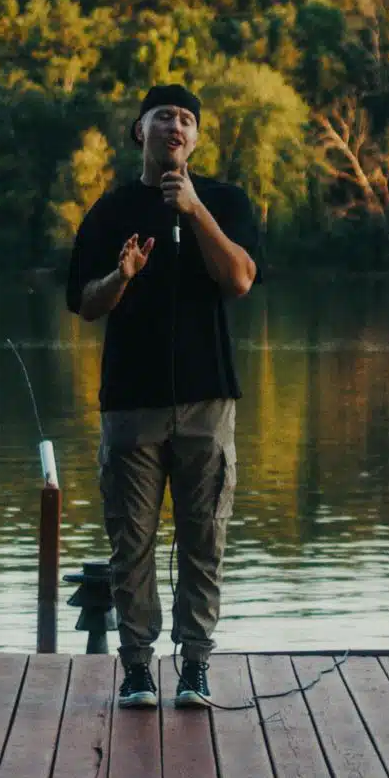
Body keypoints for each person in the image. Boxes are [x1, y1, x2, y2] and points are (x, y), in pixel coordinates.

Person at [66, 83, 261, 708]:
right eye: (162, 117)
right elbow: (85, 303)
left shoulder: (224, 201)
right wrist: (120, 276)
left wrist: (195, 210)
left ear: (195, 138)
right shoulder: (112, 210)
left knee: (205, 539)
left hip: (208, 400)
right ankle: (136, 669)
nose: (175, 126)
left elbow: (240, 280)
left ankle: (195, 666)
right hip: (131, 403)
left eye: (185, 119)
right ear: (140, 130)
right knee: (132, 544)